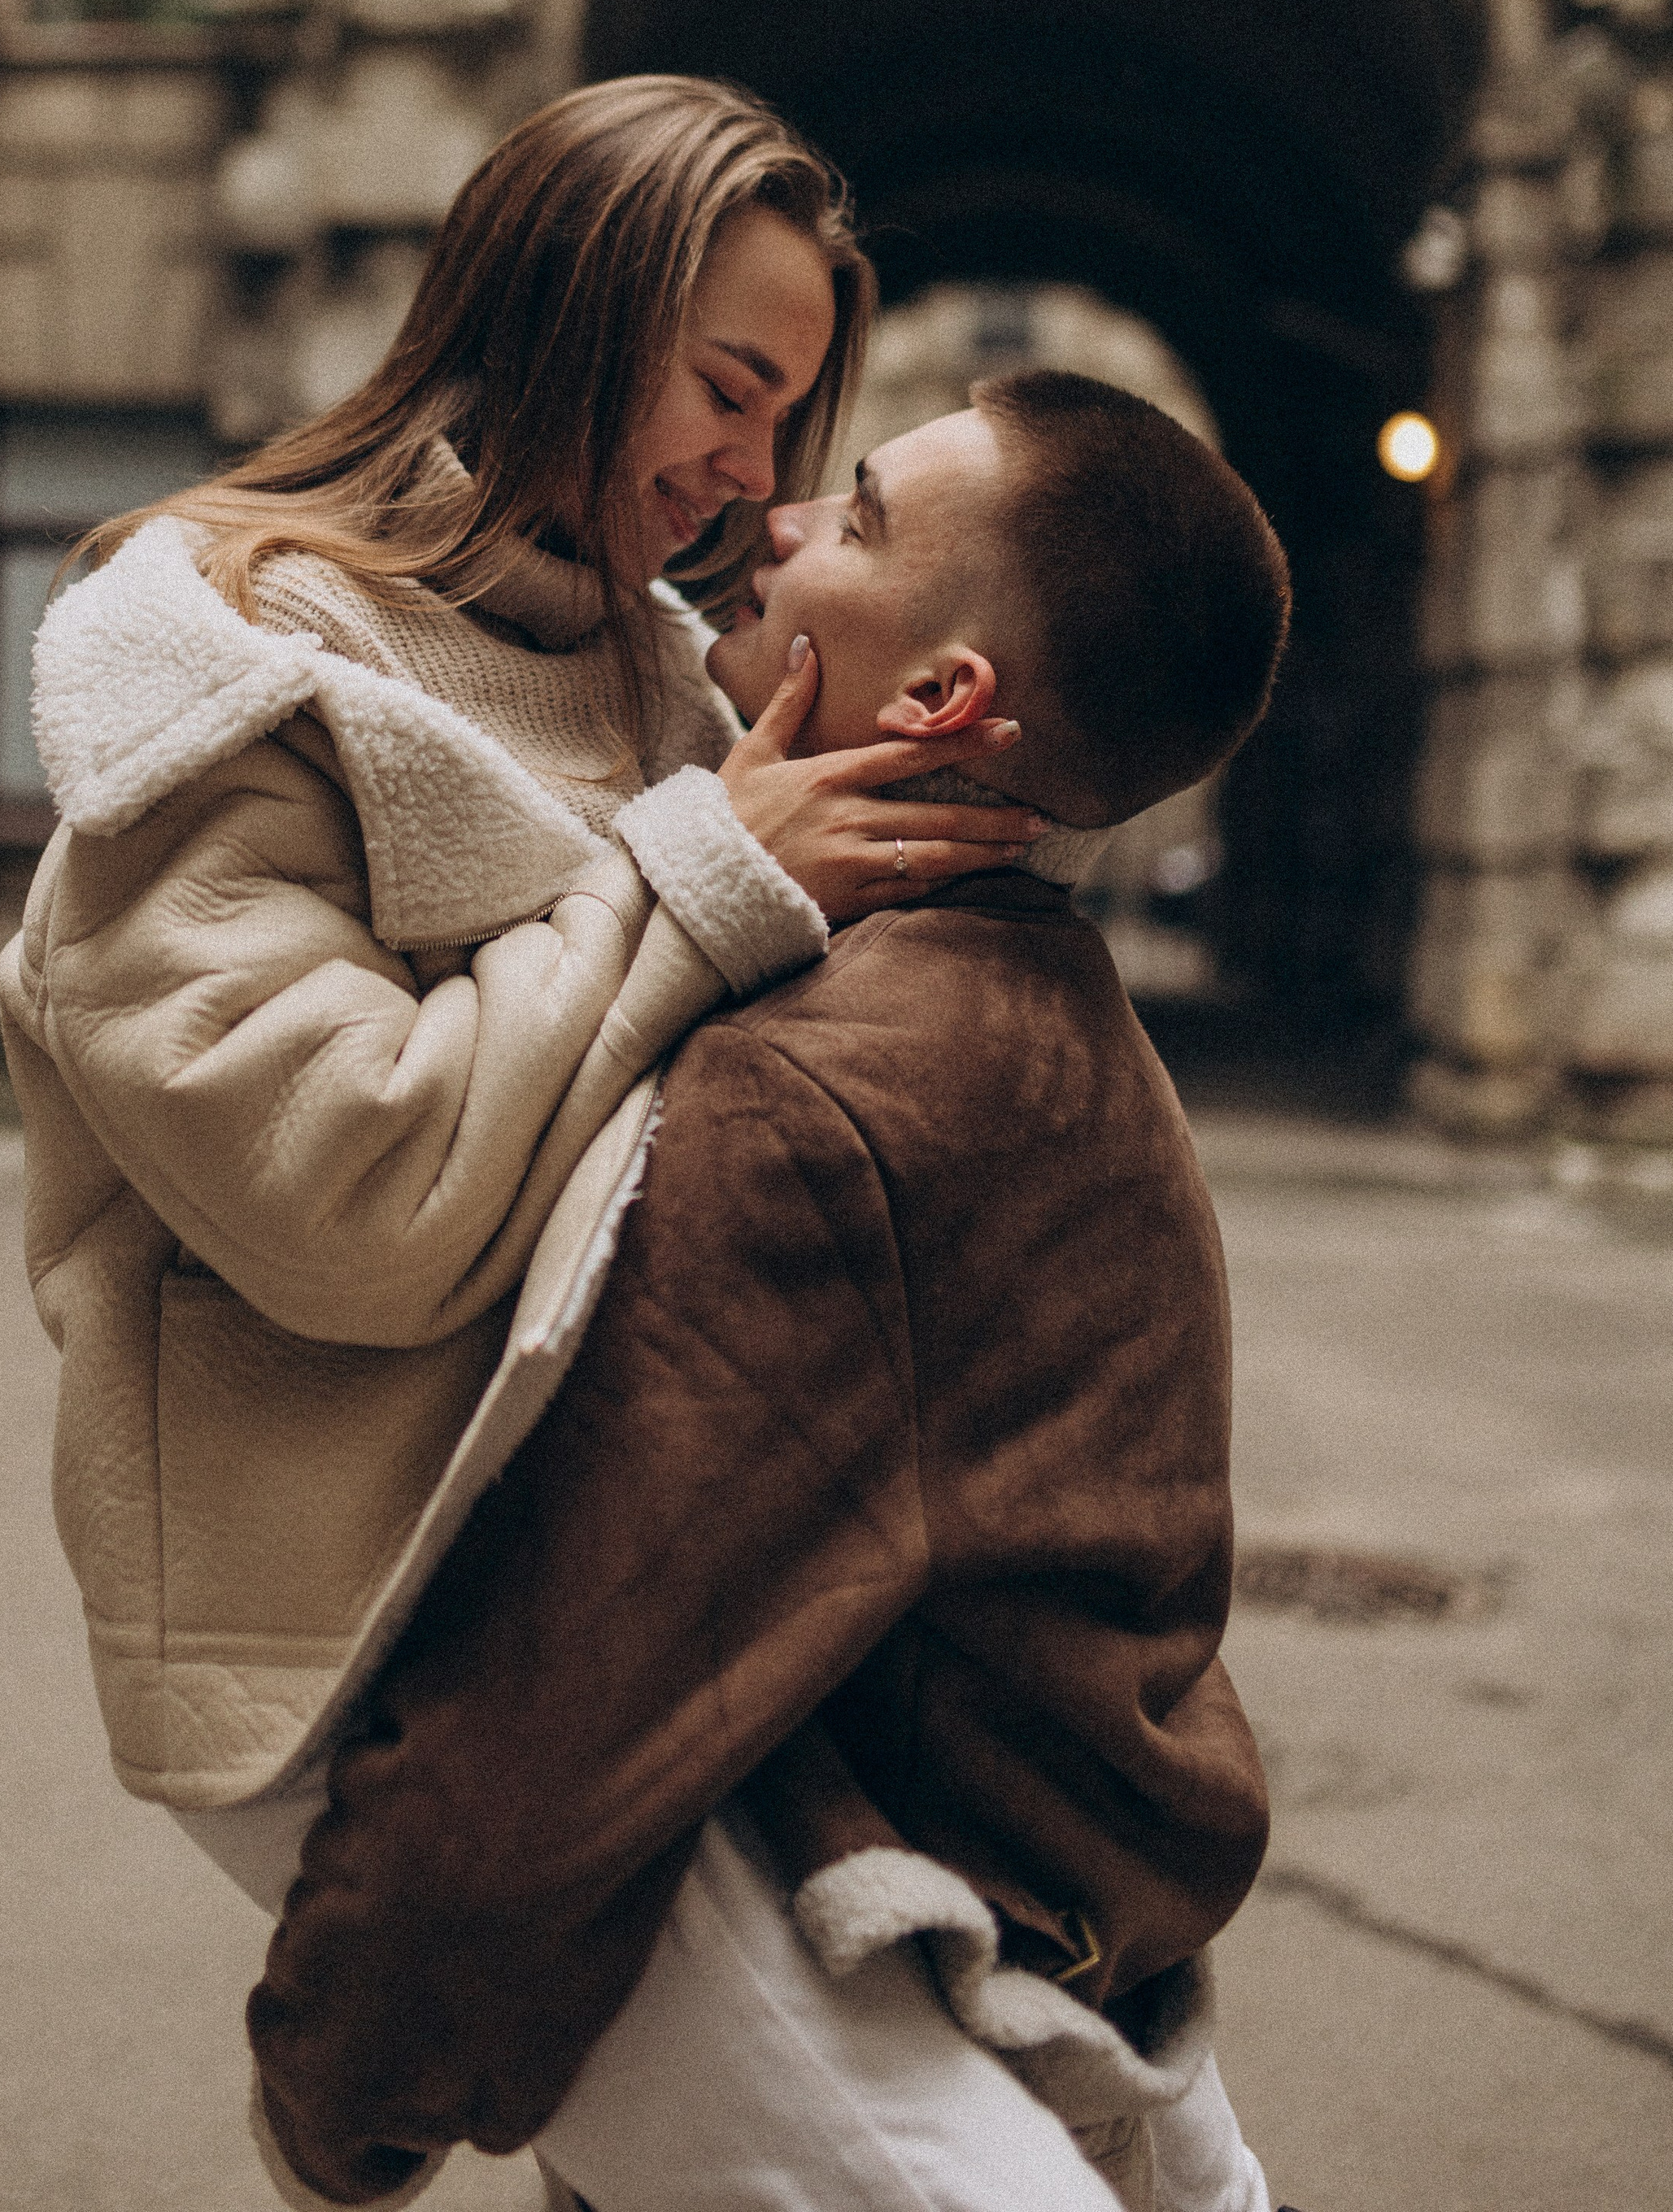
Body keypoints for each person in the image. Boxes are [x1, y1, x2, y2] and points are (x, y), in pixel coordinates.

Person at [240, 372, 1296, 2212]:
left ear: (941, 697)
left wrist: (340, 2086)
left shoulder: (829, 1090)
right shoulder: (1038, 1009)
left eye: (857, 517)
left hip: (893, 1964)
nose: (781, 517)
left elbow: (571, 1680)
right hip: (1072, 1925)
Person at [0, 76, 1043, 1872]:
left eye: (786, 419)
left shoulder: (664, 671)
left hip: (617, 1568)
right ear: (570, 307)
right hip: (339, 1611)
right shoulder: (228, 645)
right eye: (727, 390)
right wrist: (704, 880)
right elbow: (354, 1200)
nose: (754, 475)